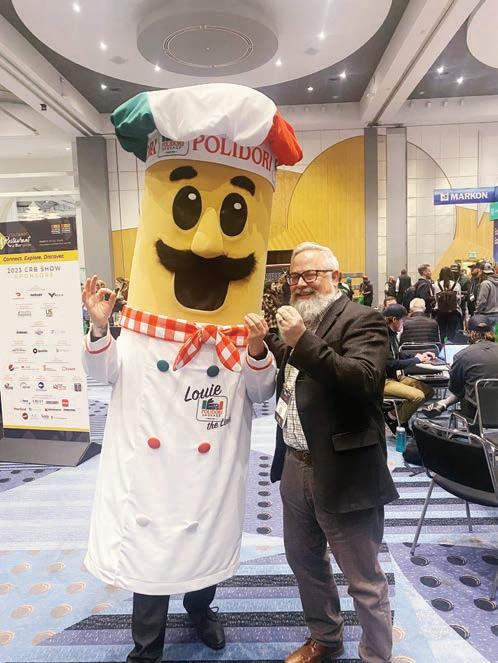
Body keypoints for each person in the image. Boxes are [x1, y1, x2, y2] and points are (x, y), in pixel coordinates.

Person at [81, 83, 302, 663]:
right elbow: (105, 373)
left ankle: (202, 610)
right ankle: (147, 643)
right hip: (151, 473)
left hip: (210, 466)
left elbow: (260, 393)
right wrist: (101, 329)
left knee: (206, 534)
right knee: (149, 552)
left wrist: (258, 349)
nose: (206, 242)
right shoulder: (141, 333)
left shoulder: (238, 337)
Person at [268, 242, 398, 663]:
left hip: (345, 470)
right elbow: (293, 377)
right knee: (305, 562)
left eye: (312, 274)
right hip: (295, 463)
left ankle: (376, 655)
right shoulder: (300, 322)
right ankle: (325, 638)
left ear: (336, 278)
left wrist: (301, 340)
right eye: (295, 276)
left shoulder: (363, 319)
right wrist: (263, 342)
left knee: (363, 577)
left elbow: (362, 380)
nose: (302, 283)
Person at [422, 315, 498, 422]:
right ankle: (444, 403)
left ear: (469, 333)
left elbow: (455, 388)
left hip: (476, 413)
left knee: (465, 390)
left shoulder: (462, 355)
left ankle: (444, 403)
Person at [382, 304, 434, 435]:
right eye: (403, 320)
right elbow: (390, 364)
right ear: (394, 319)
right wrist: (416, 360)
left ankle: (395, 415)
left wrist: (418, 356)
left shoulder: (392, 334)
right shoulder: (382, 336)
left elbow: (397, 355)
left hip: (395, 377)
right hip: (383, 381)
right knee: (418, 396)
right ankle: (395, 419)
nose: (404, 323)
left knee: (428, 391)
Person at [433, 266, 462, 343]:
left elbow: (436, 299)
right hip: (454, 312)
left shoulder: (436, 284)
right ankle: (450, 346)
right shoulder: (456, 284)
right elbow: (459, 300)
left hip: (440, 312)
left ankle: (442, 347)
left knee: (441, 332)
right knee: (452, 333)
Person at [475, 262, 498, 331]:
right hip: (496, 315)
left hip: (487, 316)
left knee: (487, 336)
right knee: (496, 336)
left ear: (481, 272)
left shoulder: (485, 284)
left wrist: (476, 312)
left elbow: (482, 301)